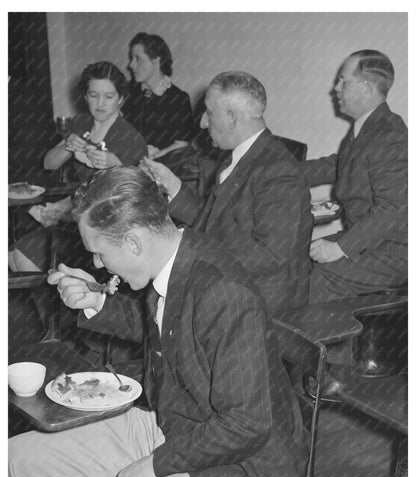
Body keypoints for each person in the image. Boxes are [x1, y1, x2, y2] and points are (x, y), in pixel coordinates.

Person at [9, 166, 305, 477]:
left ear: (133, 242)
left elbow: (248, 424)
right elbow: (171, 330)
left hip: (243, 468)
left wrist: (157, 466)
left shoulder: (222, 289)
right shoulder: (172, 257)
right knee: (11, 463)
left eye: (98, 253)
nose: (95, 264)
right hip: (178, 423)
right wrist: (98, 302)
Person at [142, 71, 312, 315]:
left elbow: (270, 256)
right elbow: (215, 222)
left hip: (261, 303)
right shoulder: (238, 156)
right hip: (233, 286)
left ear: (232, 118)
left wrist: (190, 252)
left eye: (209, 113)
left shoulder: (278, 171)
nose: (201, 122)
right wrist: (174, 186)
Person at [9, 61, 148, 273]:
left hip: (110, 229)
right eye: (93, 95)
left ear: (121, 98)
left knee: (21, 256)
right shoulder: (81, 123)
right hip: (77, 219)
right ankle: (58, 301)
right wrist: (68, 146)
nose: (100, 103)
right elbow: (48, 163)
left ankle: (63, 300)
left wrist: (115, 165)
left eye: (109, 96)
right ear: (85, 96)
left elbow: (140, 199)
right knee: (14, 255)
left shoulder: (130, 138)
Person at [304, 49, 407, 302]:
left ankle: (323, 341)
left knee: (319, 278)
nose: (336, 88)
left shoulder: (390, 135)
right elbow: (341, 165)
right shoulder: (369, 126)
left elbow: (393, 209)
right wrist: (281, 170)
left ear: (367, 88)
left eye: (343, 81)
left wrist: (340, 248)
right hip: (373, 241)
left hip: (394, 251)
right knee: (296, 258)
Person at [123, 32, 194, 160]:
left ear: (156, 61)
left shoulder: (178, 99)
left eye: (137, 59)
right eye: (131, 59)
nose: (131, 65)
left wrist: (151, 158)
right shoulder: (127, 92)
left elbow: (181, 146)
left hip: (164, 166)